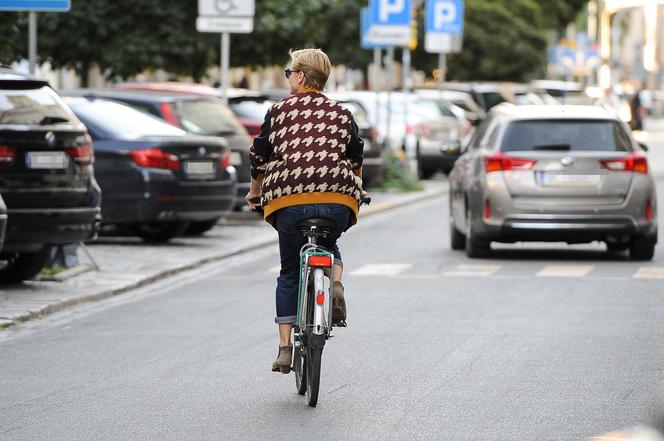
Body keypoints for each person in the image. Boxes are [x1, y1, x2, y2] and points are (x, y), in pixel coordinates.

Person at [246, 48, 364, 374]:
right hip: (337, 201)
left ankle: (285, 349)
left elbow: (259, 156)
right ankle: (335, 284)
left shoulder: (278, 112)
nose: (288, 79)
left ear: (299, 76)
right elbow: (355, 156)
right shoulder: (342, 113)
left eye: (289, 73)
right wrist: (357, 187)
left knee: (288, 271)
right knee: (328, 240)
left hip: (289, 203)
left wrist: (255, 192)